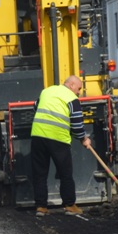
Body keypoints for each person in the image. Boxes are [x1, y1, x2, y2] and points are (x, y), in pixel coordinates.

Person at [31, 75, 92, 217]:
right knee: (65, 173)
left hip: (38, 136)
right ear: (71, 85)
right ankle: (70, 205)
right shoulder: (72, 99)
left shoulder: (46, 91)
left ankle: (41, 207)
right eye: (78, 88)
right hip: (58, 138)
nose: (79, 92)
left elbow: (36, 107)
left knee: (39, 173)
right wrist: (84, 138)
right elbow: (77, 124)